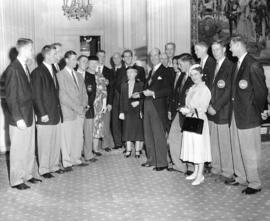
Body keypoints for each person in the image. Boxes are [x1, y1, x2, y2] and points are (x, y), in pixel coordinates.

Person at [225, 35, 268, 195]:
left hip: (248, 115)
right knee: (237, 147)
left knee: (250, 150)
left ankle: (255, 183)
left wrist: (258, 110)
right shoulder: (239, 64)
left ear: (238, 45)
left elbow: (261, 92)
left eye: (231, 46)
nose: (229, 49)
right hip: (237, 114)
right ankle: (241, 177)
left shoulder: (253, 64)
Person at [5, 38, 41, 190]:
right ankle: (17, 180)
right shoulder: (14, 69)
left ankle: (27, 174)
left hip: (29, 114)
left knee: (28, 147)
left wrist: (34, 113)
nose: (33, 52)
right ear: (23, 49)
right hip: (19, 117)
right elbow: (11, 97)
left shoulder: (24, 66)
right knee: (18, 149)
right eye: (31, 49)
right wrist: (17, 118)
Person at [31, 45, 63, 178]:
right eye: (55, 54)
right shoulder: (38, 72)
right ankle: (44, 169)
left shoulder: (54, 70)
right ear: (48, 55)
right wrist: (42, 113)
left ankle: (54, 166)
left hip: (55, 113)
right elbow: (36, 95)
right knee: (45, 143)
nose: (58, 56)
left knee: (55, 142)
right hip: (45, 114)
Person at [140, 48, 171, 171]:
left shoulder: (165, 71)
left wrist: (153, 93)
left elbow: (169, 90)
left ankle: (162, 162)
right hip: (147, 105)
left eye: (155, 55)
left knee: (158, 135)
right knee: (148, 135)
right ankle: (152, 159)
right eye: (151, 56)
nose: (153, 58)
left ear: (159, 56)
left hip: (157, 107)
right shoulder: (151, 71)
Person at [180, 65, 212, 186]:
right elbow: (189, 103)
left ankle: (200, 175)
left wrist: (190, 111)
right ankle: (196, 171)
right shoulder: (192, 87)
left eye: (196, 74)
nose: (194, 77)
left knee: (199, 148)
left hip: (199, 120)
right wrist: (186, 109)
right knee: (192, 146)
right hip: (190, 119)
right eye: (192, 75)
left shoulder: (205, 89)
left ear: (201, 74)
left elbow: (203, 107)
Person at [207, 40, 234, 180]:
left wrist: (215, 107)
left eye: (217, 49)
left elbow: (228, 91)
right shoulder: (213, 66)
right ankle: (216, 167)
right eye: (213, 50)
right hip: (211, 110)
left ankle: (227, 171)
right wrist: (208, 105)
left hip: (222, 111)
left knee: (224, 143)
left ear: (224, 49)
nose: (215, 52)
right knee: (214, 142)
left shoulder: (229, 66)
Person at [57, 50, 88, 170]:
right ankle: (67, 162)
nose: (76, 62)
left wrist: (84, 106)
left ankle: (76, 159)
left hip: (80, 112)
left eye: (76, 59)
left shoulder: (79, 75)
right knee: (67, 138)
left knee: (78, 137)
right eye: (74, 59)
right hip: (68, 111)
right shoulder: (60, 75)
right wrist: (78, 108)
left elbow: (84, 93)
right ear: (66, 60)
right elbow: (63, 96)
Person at [167, 54, 194, 174]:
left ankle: (193, 167)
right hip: (180, 112)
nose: (178, 66)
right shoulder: (182, 75)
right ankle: (179, 165)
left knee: (191, 140)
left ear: (187, 63)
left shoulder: (195, 75)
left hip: (191, 113)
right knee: (173, 137)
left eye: (180, 64)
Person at [119, 67, 144, 158]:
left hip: (137, 110)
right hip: (126, 110)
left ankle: (137, 150)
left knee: (138, 130)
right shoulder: (123, 85)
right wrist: (121, 112)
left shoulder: (141, 84)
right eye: (128, 72)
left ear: (136, 73)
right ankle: (128, 149)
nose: (129, 74)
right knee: (127, 130)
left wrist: (139, 103)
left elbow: (144, 97)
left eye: (131, 72)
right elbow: (121, 99)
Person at [76, 55, 97, 163]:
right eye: (83, 61)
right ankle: (77, 156)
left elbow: (93, 92)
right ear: (77, 62)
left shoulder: (91, 76)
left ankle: (88, 154)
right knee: (78, 134)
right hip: (76, 110)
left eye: (86, 62)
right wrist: (79, 107)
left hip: (89, 109)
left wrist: (88, 105)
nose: (85, 64)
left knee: (88, 133)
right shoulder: (73, 74)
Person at [96, 50, 115, 152]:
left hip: (105, 102)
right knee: (96, 124)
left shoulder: (109, 71)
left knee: (106, 124)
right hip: (95, 102)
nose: (102, 58)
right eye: (100, 56)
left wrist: (110, 103)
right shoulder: (91, 69)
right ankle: (95, 145)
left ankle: (106, 144)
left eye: (104, 56)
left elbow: (111, 88)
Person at [93, 58, 109, 156]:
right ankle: (86, 149)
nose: (94, 65)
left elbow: (104, 91)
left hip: (98, 105)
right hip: (88, 104)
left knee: (97, 126)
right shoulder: (85, 74)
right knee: (88, 127)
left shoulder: (101, 76)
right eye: (92, 63)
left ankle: (95, 149)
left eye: (96, 63)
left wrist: (104, 105)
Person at [111, 52, 125, 150]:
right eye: (114, 58)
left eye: (118, 58)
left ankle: (125, 142)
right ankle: (118, 143)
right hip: (113, 99)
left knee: (124, 121)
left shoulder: (125, 70)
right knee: (115, 121)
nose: (116, 60)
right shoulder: (110, 71)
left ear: (121, 59)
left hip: (122, 98)